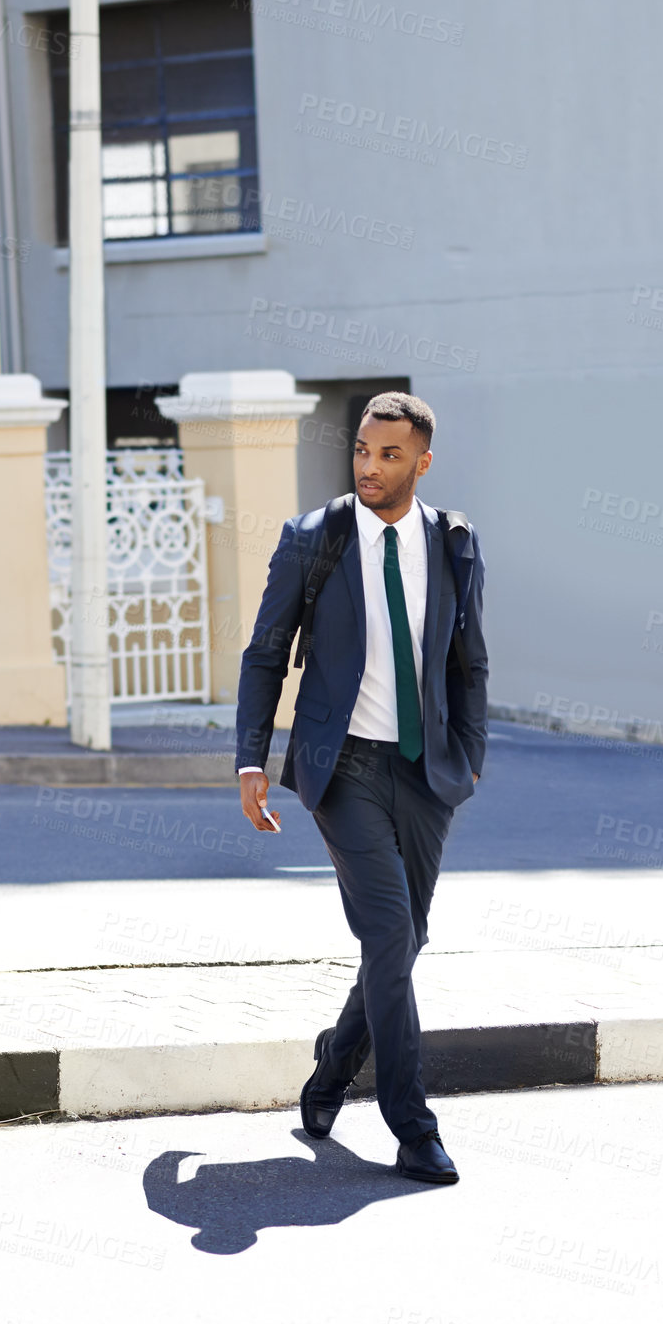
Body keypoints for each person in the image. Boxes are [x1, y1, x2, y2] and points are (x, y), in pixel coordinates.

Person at [235, 391, 488, 1184]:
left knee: (402, 942)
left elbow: (468, 659)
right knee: (387, 934)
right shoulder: (315, 538)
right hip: (339, 767)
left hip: (426, 770)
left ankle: (333, 1066)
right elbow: (265, 651)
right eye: (362, 453)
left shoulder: (453, 542)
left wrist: (470, 756)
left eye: (388, 455)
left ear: (422, 461)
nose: (371, 468)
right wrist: (251, 759)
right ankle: (414, 1128)